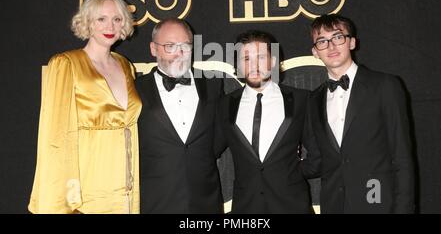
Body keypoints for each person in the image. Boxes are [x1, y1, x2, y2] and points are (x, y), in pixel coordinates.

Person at [28, 0, 142, 214]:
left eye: (117, 19)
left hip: (125, 194)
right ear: (88, 21)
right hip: (86, 196)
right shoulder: (66, 64)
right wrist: (64, 203)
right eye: (101, 19)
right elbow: (55, 139)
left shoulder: (125, 65)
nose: (110, 26)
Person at [308, 14, 415, 213]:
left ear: (352, 42)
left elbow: (402, 157)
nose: (331, 46)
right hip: (334, 206)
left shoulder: (385, 86)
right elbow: (319, 161)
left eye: (338, 37)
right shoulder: (314, 100)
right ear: (315, 52)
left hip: (378, 202)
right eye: (322, 41)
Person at [216, 30, 321, 213]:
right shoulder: (224, 104)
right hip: (246, 208)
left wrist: (291, 172)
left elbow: (319, 154)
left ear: (272, 62)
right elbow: (208, 150)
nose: (254, 65)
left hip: (292, 206)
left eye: (261, 57)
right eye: (247, 59)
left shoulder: (301, 100)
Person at [136, 18, 224, 213]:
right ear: (153, 49)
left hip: (205, 204)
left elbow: (218, 141)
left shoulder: (213, 85)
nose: (180, 53)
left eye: (185, 46)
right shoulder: (134, 89)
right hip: (154, 204)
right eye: (170, 46)